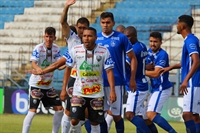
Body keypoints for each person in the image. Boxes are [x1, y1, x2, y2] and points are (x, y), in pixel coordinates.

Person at [28, 27, 117, 133]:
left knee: (95, 122)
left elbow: (109, 71)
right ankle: (73, 130)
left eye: (89, 36)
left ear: (95, 38)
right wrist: (63, 89)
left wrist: (112, 90)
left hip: (97, 93)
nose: (86, 38)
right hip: (78, 91)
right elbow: (67, 69)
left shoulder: (104, 51)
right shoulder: (76, 50)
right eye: (84, 36)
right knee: (74, 120)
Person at [96, 12, 137, 133]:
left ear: (113, 23)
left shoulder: (121, 38)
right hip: (99, 82)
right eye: (103, 22)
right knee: (99, 114)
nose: (105, 25)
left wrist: (132, 78)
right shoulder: (96, 38)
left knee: (116, 115)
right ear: (100, 23)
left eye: (108, 22)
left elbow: (133, 58)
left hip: (117, 81)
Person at [161, 15, 200, 133]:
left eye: (177, 24)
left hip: (193, 82)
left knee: (187, 114)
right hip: (195, 82)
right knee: (195, 116)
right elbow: (187, 62)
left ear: (182, 25)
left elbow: (196, 60)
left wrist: (186, 80)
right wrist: (171, 67)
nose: (176, 26)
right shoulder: (191, 40)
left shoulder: (190, 40)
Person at [22, 27, 64, 133]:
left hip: (48, 86)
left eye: (50, 37)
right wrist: (38, 69)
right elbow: (33, 63)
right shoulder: (38, 48)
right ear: (43, 36)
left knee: (59, 110)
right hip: (36, 85)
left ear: (55, 37)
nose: (48, 39)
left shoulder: (56, 49)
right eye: (46, 36)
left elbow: (58, 66)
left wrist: (68, 65)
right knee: (32, 111)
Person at [60, 0, 90, 132]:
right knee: (68, 111)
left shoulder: (93, 40)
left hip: (89, 80)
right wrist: (66, 7)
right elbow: (63, 22)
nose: (82, 30)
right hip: (74, 79)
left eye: (84, 28)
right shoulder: (73, 38)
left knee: (86, 113)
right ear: (77, 28)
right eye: (80, 27)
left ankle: (74, 129)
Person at [124, 26, 157, 133]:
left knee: (129, 115)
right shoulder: (142, 45)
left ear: (135, 36)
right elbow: (139, 63)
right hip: (142, 82)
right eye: (125, 36)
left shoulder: (133, 49)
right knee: (143, 118)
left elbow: (126, 65)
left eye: (128, 36)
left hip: (137, 85)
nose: (126, 39)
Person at [145, 31, 177, 133]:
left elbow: (156, 74)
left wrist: (141, 71)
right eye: (151, 41)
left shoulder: (162, 54)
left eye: (155, 41)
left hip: (162, 88)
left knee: (150, 114)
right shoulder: (148, 52)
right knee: (145, 118)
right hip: (154, 88)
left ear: (160, 43)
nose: (152, 44)